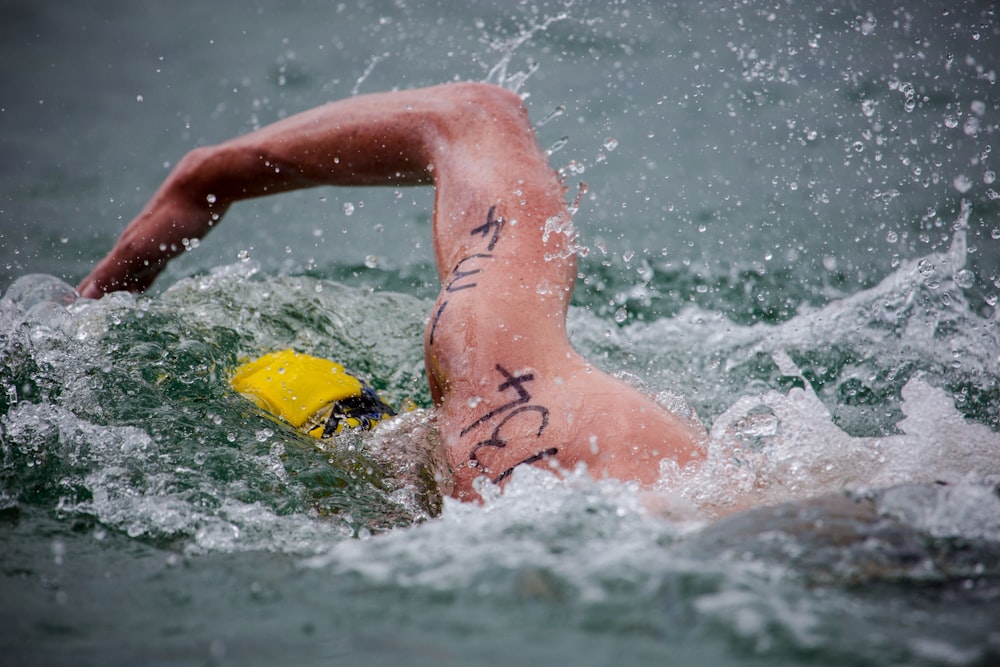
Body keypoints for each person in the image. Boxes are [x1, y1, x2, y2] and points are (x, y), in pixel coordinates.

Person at [78, 82, 706, 501]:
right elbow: (475, 115)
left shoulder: (483, 395)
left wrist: (197, 183)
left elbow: (476, 115)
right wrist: (208, 180)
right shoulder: (491, 370)